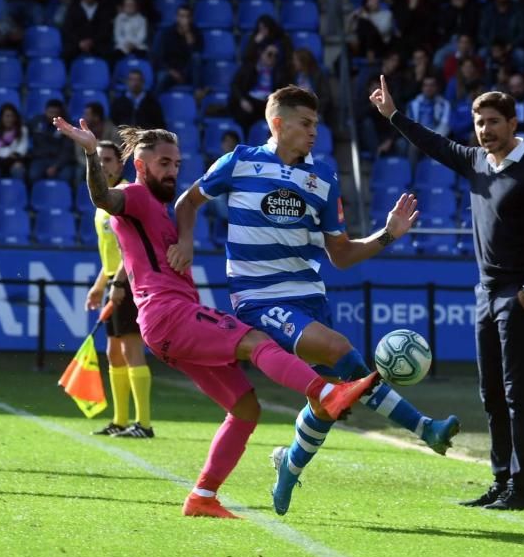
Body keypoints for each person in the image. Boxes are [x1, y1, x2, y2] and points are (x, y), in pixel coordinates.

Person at [54, 117, 378, 519]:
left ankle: (203, 496)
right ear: (140, 165)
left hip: (167, 322)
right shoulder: (134, 196)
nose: (173, 171)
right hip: (169, 314)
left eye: (176, 163)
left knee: (245, 408)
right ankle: (326, 393)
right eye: (164, 164)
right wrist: (89, 153)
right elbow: (103, 198)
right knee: (256, 342)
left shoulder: (157, 207)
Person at [170, 85, 459, 516]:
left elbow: (340, 255)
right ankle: (424, 427)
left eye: (316, 125)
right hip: (259, 299)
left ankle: (288, 465)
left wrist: (388, 235)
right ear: (277, 123)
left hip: (310, 296)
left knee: (328, 401)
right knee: (343, 354)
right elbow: (187, 202)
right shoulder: (240, 161)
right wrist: (187, 242)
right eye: (305, 124)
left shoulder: (322, 178)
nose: (313, 132)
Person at [371, 76, 524, 511]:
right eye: (480, 123)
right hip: (486, 293)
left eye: (494, 122)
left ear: (514, 123)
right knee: (492, 394)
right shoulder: (477, 161)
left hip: (520, 295)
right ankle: (500, 482)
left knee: (520, 396)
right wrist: (394, 116)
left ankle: (523, 491)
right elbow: (435, 145)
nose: (485, 130)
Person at [85, 140, 154, 439]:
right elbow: (112, 254)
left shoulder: (125, 196)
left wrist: (118, 284)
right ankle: (121, 419)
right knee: (114, 353)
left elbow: (132, 251)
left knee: (130, 349)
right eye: (98, 159)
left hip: (129, 283)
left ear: (120, 164)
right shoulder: (104, 202)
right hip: (115, 282)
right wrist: (99, 285)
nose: (102, 165)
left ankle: (144, 424)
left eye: (108, 159)